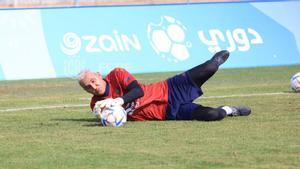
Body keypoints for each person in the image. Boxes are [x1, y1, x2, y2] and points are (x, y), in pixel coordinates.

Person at [78, 50, 251, 121]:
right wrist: (103, 116)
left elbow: (137, 91)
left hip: (170, 88)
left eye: (93, 81)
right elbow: (113, 120)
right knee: (215, 114)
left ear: (99, 75)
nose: (93, 87)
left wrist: (118, 101)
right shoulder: (97, 105)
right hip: (169, 112)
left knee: (211, 67)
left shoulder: (116, 74)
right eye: (88, 87)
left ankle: (215, 60)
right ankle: (230, 109)